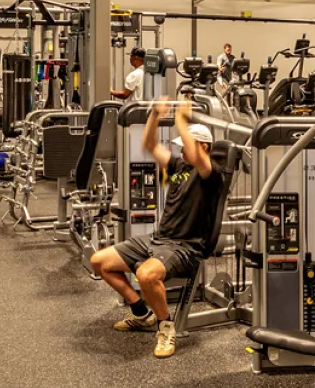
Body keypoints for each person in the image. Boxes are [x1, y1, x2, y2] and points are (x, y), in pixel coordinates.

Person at [88, 101, 225, 358]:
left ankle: (166, 327)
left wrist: (181, 120)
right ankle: (141, 313)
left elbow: (197, 157)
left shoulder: (211, 173)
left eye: (185, 146)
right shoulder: (180, 166)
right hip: (158, 240)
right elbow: (150, 145)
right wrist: (154, 115)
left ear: (203, 147)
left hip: (185, 246)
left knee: (147, 275)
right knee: (99, 261)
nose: (181, 151)